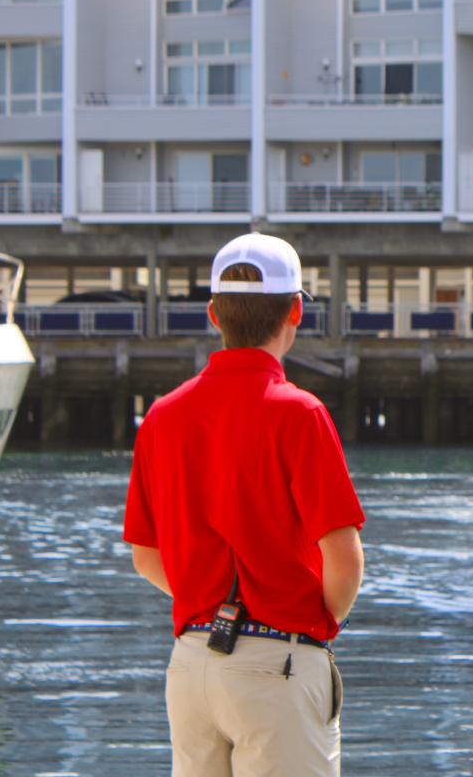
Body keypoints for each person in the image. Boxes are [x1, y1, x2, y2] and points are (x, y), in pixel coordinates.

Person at [124, 232, 365, 777]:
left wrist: (207, 598)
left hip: (192, 664)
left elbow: (145, 555)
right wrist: (310, 620)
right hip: (278, 660)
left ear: (213, 314)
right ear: (297, 311)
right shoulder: (300, 414)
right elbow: (344, 560)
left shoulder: (162, 416)